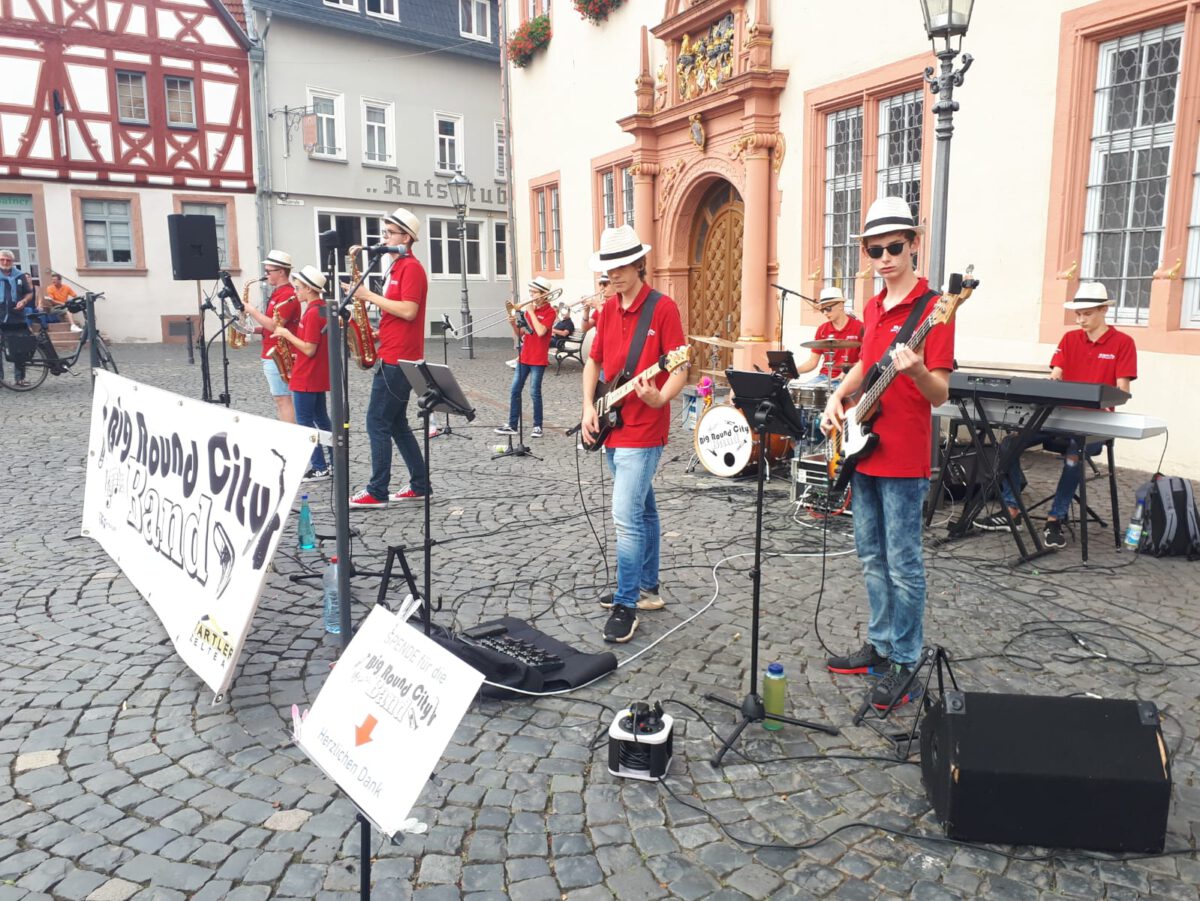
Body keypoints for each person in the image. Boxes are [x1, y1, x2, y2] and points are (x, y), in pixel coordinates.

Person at [820, 196, 955, 710]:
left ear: (914, 244)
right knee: (871, 557)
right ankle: (878, 646)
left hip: (903, 456)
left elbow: (939, 392)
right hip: (864, 450)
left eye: (894, 246)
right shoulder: (873, 307)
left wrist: (916, 369)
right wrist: (838, 396)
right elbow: (863, 365)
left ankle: (906, 659)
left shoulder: (935, 307)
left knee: (904, 563)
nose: (884, 258)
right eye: (875, 249)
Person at [581, 225, 688, 643]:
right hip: (612, 423)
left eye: (622, 267)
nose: (614, 276)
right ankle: (647, 589)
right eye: (608, 270)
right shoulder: (607, 310)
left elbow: (680, 367)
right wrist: (589, 406)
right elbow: (594, 363)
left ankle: (626, 604)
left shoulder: (663, 309)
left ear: (638, 264)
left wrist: (661, 398)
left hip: (644, 430)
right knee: (643, 511)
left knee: (625, 517)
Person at [974, 282, 1136, 549]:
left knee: (1074, 454)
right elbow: (1055, 377)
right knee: (1008, 444)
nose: (1081, 319)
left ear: (1104, 310)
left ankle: (1055, 519)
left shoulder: (1123, 343)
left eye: (1087, 313)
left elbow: (1123, 391)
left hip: (1096, 422)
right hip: (1059, 418)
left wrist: (1099, 397)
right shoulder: (1069, 339)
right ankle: (1012, 510)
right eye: (1078, 314)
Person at [344, 208, 429, 507]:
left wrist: (368, 296)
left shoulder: (411, 268)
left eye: (390, 233)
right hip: (391, 351)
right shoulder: (394, 268)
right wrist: (375, 332)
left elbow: (409, 310)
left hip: (399, 359)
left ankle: (377, 490)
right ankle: (420, 484)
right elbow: (396, 313)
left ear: (406, 237)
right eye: (384, 233)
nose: (384, 238)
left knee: (376, 422)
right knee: (395, 424)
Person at [273, 266, 332, 480]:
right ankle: (333, 462)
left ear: (308, 288)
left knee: (305, 424)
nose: (295, 292)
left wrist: (286, 334)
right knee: (322, 420)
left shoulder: (312, 313)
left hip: (306, 376)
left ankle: (319, 466)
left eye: (298, 288)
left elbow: (309, 348)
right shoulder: (322, 308)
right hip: (315, 373)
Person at [243, 250, 302, 424]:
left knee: (283, 399)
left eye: (269, 271)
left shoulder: (287, 294)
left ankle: (291, 438)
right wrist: (252, 330)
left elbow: (276, 326)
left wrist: (252, 311)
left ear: (281, 271)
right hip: (272, 350)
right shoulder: (278, 293)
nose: (266, 275)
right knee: (281, 399)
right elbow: (272, 326)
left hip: (280, 353)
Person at [497, 277, 556, 439]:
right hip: (524, 357)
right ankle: (512, 424)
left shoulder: (550, 312)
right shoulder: (530, 312)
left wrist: (530, 311)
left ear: (544, 294)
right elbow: (522, 334)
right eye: (530, 291)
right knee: (515, 390)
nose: (531, 295)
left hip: (538, 359)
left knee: (534, 393)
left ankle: (538, 426)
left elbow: (542, 331)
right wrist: (513, 324)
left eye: (534, 292)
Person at [796, 286, 863, 381]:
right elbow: (812, 362)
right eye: (822, 310)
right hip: (824, 377)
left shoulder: (860, 327)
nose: (825, 313)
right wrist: (794, 371)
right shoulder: (822, 329)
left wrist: (848, 372)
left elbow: (865, 360)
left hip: (850, 378)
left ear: (840, 305)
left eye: (828, 308)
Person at [0, 250, 35, 387]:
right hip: (0, 317)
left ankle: (20, 378)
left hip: (17, 317)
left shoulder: (20, 276)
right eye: (2, 259)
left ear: (12, 262)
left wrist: (24, 302)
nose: (5, 262)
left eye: (8, 260)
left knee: (19, 348)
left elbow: (29, 293)